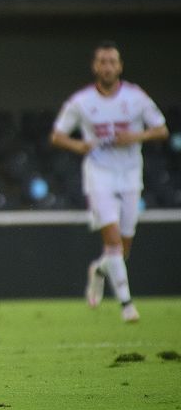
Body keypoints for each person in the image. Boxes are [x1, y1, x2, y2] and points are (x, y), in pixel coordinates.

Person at [50, 41, 168, 323]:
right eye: (103, 61)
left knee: (122, 249)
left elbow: (161, 129)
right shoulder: (82, 102)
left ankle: (100, 270)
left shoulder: (136, 97)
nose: (107, 66)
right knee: (113, 241)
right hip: (99, 175)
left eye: (112, 61)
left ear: (120, 66)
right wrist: (78, 146)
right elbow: (57, 135)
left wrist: (136, 137)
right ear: (95, 66)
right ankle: (127, 304)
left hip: (129, 174)